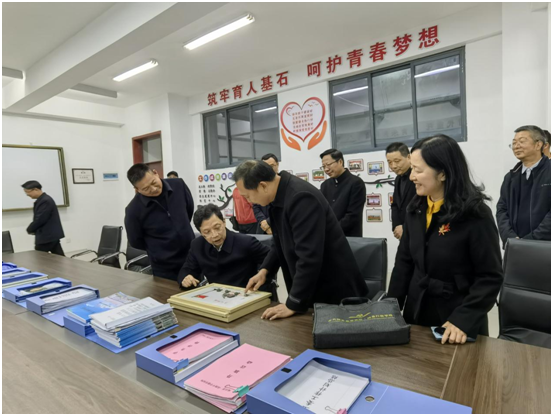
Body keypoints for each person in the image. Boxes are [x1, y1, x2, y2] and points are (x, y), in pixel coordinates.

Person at [388, 135, 503, 344]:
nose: (411, 177)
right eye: (412, 169)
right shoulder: (415, 209)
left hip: (456, 319)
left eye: (418, 170)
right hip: (417, 311)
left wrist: (462, 320)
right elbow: (404, 262)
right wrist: (390, 308)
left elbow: (490, 277)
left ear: (442, 173)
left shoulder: (475, 214)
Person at [234, 160, 368, 321]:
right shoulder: (278, 197)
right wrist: (265, 270)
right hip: (313, 288)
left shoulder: (301, 197)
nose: (249, 201)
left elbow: (309, 256)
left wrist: (293, 303)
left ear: (263, 186)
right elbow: (280, 240)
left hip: (334, 291)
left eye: (247, 196)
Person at [124, 163, 195, 281]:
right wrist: (160, 250)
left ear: (156, 173)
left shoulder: (178, 185)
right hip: (165, 267)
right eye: (146, 189)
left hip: (192, 258)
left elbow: (189, 210)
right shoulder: (133, 210)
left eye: (153, 182)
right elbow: (136, 241)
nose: (153, 189)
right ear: (137, 189)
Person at [177, 204, 271, 290]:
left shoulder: (246, 242)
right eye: (207, 232)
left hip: (245, 294)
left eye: (217, 227)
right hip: (215, 296)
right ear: (201, 233)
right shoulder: (197, 245)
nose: (214, 235)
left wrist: (262, 276)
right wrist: (186, 278)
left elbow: (272, 260)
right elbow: (187, 269)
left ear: (224, 222)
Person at [496, 125, 551, 246]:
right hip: (515, 246)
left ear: (538, 145)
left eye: (522, 141)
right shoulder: (510, 177)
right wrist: (510, 238)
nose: (516, 146)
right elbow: (502, 209)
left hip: (545, 247)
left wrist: (530, 241)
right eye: (514, 143)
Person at [319, 148, 366, 237]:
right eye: (323, 166)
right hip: (328, 237)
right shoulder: (325, 185)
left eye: (328, 165)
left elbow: (353, 216)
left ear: (340, 162)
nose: (326, 169)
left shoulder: (356, 183)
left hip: (348, 237)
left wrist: (331, 230)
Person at [22, 180, 65, 256]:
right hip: (51, 235)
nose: (27, 194)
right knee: (59, 257)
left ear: (36, 189)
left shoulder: (45, 201)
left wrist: (30, 229)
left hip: (47, 236)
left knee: (40, 258)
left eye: (28, 192)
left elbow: (40, 219)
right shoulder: (43, 199)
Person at [386, 142, 417, 240]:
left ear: (409, 157)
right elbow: (395, 204)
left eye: (397, 161)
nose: (393, 166)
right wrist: (397, 226)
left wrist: (405, 227)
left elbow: (420, 206)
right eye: (389, 162)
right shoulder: (398, 179)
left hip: (416, 231)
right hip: (402, 234)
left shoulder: (417, 177)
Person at [253, 153, 279, 235]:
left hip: (279, 227)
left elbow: (283, 208)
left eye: (272, 166)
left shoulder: (283, 184)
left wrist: (268, 222)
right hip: (262, 228)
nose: (268, 169)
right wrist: (263, 222)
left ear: (277, 165)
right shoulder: (258, 185)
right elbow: (255, 206)